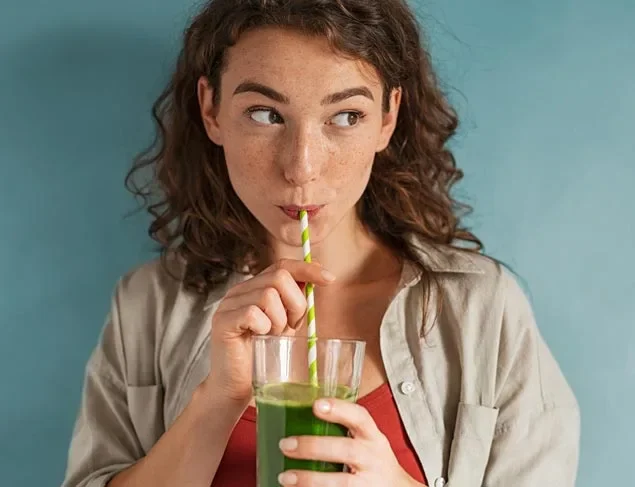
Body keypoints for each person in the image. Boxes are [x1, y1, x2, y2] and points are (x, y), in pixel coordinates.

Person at [61, 0, 580, 486]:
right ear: (212, 110)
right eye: (265, 114)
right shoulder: (145, 306)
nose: (301, 167)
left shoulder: (482, 308)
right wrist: (216, 400)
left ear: (387, 117)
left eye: (346, 116)